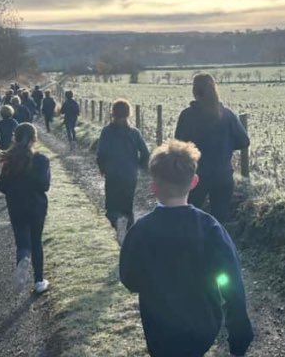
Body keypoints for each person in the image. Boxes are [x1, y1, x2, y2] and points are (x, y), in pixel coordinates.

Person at [119, 139, 253, 357]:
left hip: (159, 330)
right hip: (202, 328)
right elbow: (231, 278)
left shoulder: (140, 231)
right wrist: (240, 330)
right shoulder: (211, 228)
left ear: (153, 187)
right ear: (194, 182)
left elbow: (129, 279)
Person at [174, 73, 250, 223]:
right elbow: (244, 141)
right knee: (219, 222)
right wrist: (225, 146)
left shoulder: (187, 116)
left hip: (196, 176)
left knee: (189, 218)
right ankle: (215, 246)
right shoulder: (227, 115)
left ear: (195, 91)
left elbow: (178, 146)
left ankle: (191, 245)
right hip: (223, 176)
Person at [0, 123, 51, 294]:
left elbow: (1, 186)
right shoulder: (41, 160)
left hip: (16, 205)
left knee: (22, 241)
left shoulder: (10, 159)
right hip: (37, 205)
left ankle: (23, 259)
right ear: (35, 138)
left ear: (15, 137)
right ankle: (39, 281)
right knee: (36, 241)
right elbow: (45, 186)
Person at [96, 100, 150, 244]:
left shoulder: (107, 132)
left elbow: (101, 153)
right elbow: (145, 153)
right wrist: (137, 165)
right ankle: (129, 239)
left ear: (113, 113)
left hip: (113, 174)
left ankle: (118, 226)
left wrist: (102, 167)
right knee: (127, 207)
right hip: (129, 175)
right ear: (128, 113)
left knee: (112, 207)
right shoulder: (135, 133)